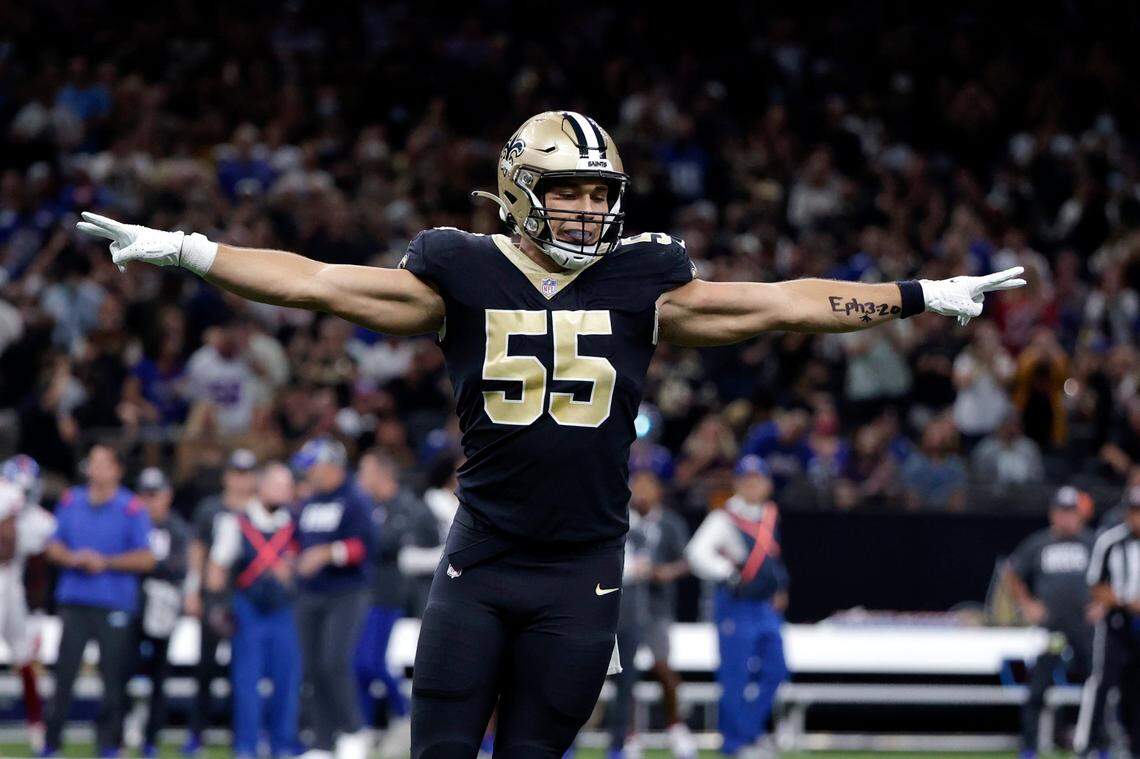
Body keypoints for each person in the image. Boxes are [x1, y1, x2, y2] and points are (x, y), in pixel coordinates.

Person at [77, 109, 1025, 758]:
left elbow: (784, 303)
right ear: (521, 187)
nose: (585, 207)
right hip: (481, 556)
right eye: (566, 190)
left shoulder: (645, 281)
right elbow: (319, 281)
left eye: (596, 191)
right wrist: (193, 251)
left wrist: (920, 294)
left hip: (583, 568)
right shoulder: (458, 268)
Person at [41, 444, 156, 758]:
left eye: (103, 463)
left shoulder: (131, 507)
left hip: (114, 601)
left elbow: (147, 557)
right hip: (75, 599)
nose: (96, 469)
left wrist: (106, 562)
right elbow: (51, 546)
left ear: (117, 469)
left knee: (113, 677)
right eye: (92, 462)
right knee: (64, 674)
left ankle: (109, 743)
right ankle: (52, 743)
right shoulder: (71, 500)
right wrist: (74, 557)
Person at [686, 455, 789, 757]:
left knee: (776, 669)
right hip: (736, 604)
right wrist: (727, 574)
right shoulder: (724, 517)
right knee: (735, 676)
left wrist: (780, 586)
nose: (754, 484)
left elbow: (771, 556)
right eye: (748, 479)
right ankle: (734, 744)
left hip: (764, 607)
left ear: (767, 483)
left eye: (759, 478)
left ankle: (749, 731)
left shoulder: (769, 513)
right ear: (739, 483)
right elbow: (696, 553)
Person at [207, 462, 301, 759]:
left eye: (287, 486)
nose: (284, 492)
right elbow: (217, 567)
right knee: (246, 681)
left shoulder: (295, 521)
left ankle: (282, 744)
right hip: (248, 607)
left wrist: (294, 571)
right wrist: (215, 604)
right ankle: (246, 746)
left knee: (287, 679)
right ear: (261, 486)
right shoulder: (236, 521)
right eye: (277, 485)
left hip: (285, 608)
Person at [292, 437, 375, 759]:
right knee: (312, 667)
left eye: (311, 467)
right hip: (310, 593)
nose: (307, 474)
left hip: (346, 592)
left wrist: (327, 553)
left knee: (334, 662)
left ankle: (355, 730)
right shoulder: (311, 502)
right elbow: (301, 542)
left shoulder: (355, 499)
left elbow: (365, 547)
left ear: (329, 466)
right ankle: (322, 742)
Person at [354, 448, 434, 758]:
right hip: (363, 596)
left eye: (365, 470)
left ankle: (404, 717)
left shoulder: (408, 507)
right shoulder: (369, 506)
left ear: (381, 474)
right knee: (358, 666)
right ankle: (362, 730)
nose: (360, 477)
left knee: (370, 663)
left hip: (391, 597)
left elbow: (398, 546)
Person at [1005, 486, 1095, 758]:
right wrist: (1028, 604)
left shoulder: (1091, 543)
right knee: (1038, 688)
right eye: (1062, 512)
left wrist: (1101, 603)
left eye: (1071, 512)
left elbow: (1110, 575)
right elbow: (1012, 572)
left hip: (1086, 628)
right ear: (1052, 514)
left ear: (1079, 515)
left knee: (1097, 689)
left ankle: (1096, 744)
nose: (1066, 518)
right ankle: (1030, 747)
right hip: (1051, 629)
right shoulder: (1039, 543)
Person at [183, 447, 258, 755]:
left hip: (247, 598)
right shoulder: (211, 508)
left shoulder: (259, 510)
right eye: (236, 473)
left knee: (243, 671)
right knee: (206, 669)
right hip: (215, 598)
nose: (241, 481)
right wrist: (192, 590)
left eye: (246, 474)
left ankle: (239, 733)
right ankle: (197, 733)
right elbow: (197, 550)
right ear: (227, 476)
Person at [129, 467, 191, 758]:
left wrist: (148, 565)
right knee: (121, 671)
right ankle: (120, 730)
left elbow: (179, 566)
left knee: (159, 675)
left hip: (163, 607)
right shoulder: (130, 523)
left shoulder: (177, 527)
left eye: (155, 495)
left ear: (167, 496)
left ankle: (152, 737)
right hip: (130, 606)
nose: (150, 502)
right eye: (145, 495)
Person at [1076, 485, 1140, 758]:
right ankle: (1088, 744)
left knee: (1136, 686)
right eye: (1136, 511)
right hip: (1117, 622)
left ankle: (1134, 744)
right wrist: (1126, 602)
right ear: (1128, 513)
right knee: (1103, 681)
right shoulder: (1111, 541)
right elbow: (1095, 585)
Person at [0, 455, 56, 753]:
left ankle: (36, 725)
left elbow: (39, 569)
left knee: (23, 655)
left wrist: (38, 612)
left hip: (13, 586)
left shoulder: (40, 522)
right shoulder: (4, 495)